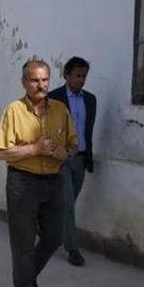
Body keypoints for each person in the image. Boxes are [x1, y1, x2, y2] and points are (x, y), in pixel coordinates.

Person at [0, 58, 78, 287]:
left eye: (44, 80)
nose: (40, 85)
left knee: (54, 237)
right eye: (34, 80)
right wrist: (36, 149)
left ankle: (27, 277)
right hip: (23, 182)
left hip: (54, 181)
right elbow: (3, 152)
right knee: (23, 244)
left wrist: (64, 152)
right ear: (24, 82)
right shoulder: (14, 110)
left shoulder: (61, 109)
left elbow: (73, 145)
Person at [48, 56, 96, 267]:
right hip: (61, 159)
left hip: (81, 158)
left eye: (84, 76)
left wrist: (87, 157)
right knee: (67, 202)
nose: (81, 80)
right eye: (77, 75)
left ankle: (46, 226)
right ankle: (72, 249)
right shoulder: (54, 98)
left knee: (69, 201)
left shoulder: (90, 100)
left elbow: (88, 129)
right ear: (66, 75)